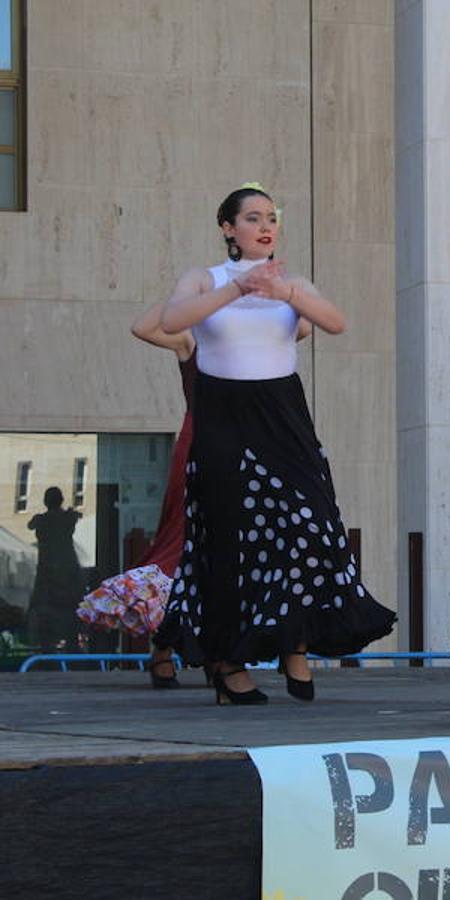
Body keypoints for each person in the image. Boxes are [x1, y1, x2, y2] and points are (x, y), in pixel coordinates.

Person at [152, 185, 395, 704]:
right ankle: (229, 664)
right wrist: (239, 290)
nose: (266, 226)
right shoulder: (204, 279)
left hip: (282, 414)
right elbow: (171, 321)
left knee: (309, 524)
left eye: (272, 218)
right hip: (222, 414)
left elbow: (335, 322)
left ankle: (296, 645)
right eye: (253, 217)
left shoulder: (292, 282)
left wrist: (283, 293)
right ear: (228, 228)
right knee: (228, 537)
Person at [77, 301, 311, 688]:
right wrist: (199, 293)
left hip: (255, 449)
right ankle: (166, 648)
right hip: (204, 443)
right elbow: (143, 326)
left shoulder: (264, 338)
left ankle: (210, 650)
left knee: (241, 549)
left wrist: (271, 291)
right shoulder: (192, 337)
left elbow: (305, 324)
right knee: (183, 544)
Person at [26, 486, 84, 650]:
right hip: (66, 569)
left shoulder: (42, 520)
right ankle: (71, 648)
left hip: (49, 571)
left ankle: (49, 650)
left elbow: (30, 525)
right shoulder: (68, 517)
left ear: (46, 502)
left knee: (47, 617)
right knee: (71, 615)